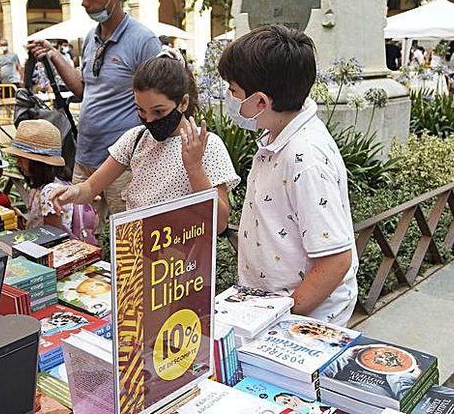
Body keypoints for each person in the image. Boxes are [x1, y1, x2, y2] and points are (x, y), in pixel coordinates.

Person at [217, 25, 358, 326]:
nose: (228, 98)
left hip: (299, 320)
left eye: (233, 91)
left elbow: (335, 260)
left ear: (261, 103)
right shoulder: (276, 134)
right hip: (268, 305)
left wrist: (282, 315)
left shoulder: (305, 159)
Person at [29, 0, 162, 217]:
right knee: (77, 234)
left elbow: (160, 104)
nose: (84, 3)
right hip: (85, 157)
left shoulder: (143, 40)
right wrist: (54, 55)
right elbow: (82, 90)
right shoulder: (92, 37)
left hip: (122, 164)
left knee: (127, 239)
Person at [50, 49, 239, 234]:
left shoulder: (207, 144)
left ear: (183, 103)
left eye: (159, 111)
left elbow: (220, 224)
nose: (149, 120)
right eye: (141, 111)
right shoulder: (135, 139)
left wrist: (195, 167)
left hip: (184, 258)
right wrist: (73, 193)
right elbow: (91, 187)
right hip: (137, 252)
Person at [4, 119, 72, 231]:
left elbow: (52, 235)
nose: (17, 162)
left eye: (22, 158)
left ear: (37, 163)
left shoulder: (49, 192)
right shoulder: (54, 183)